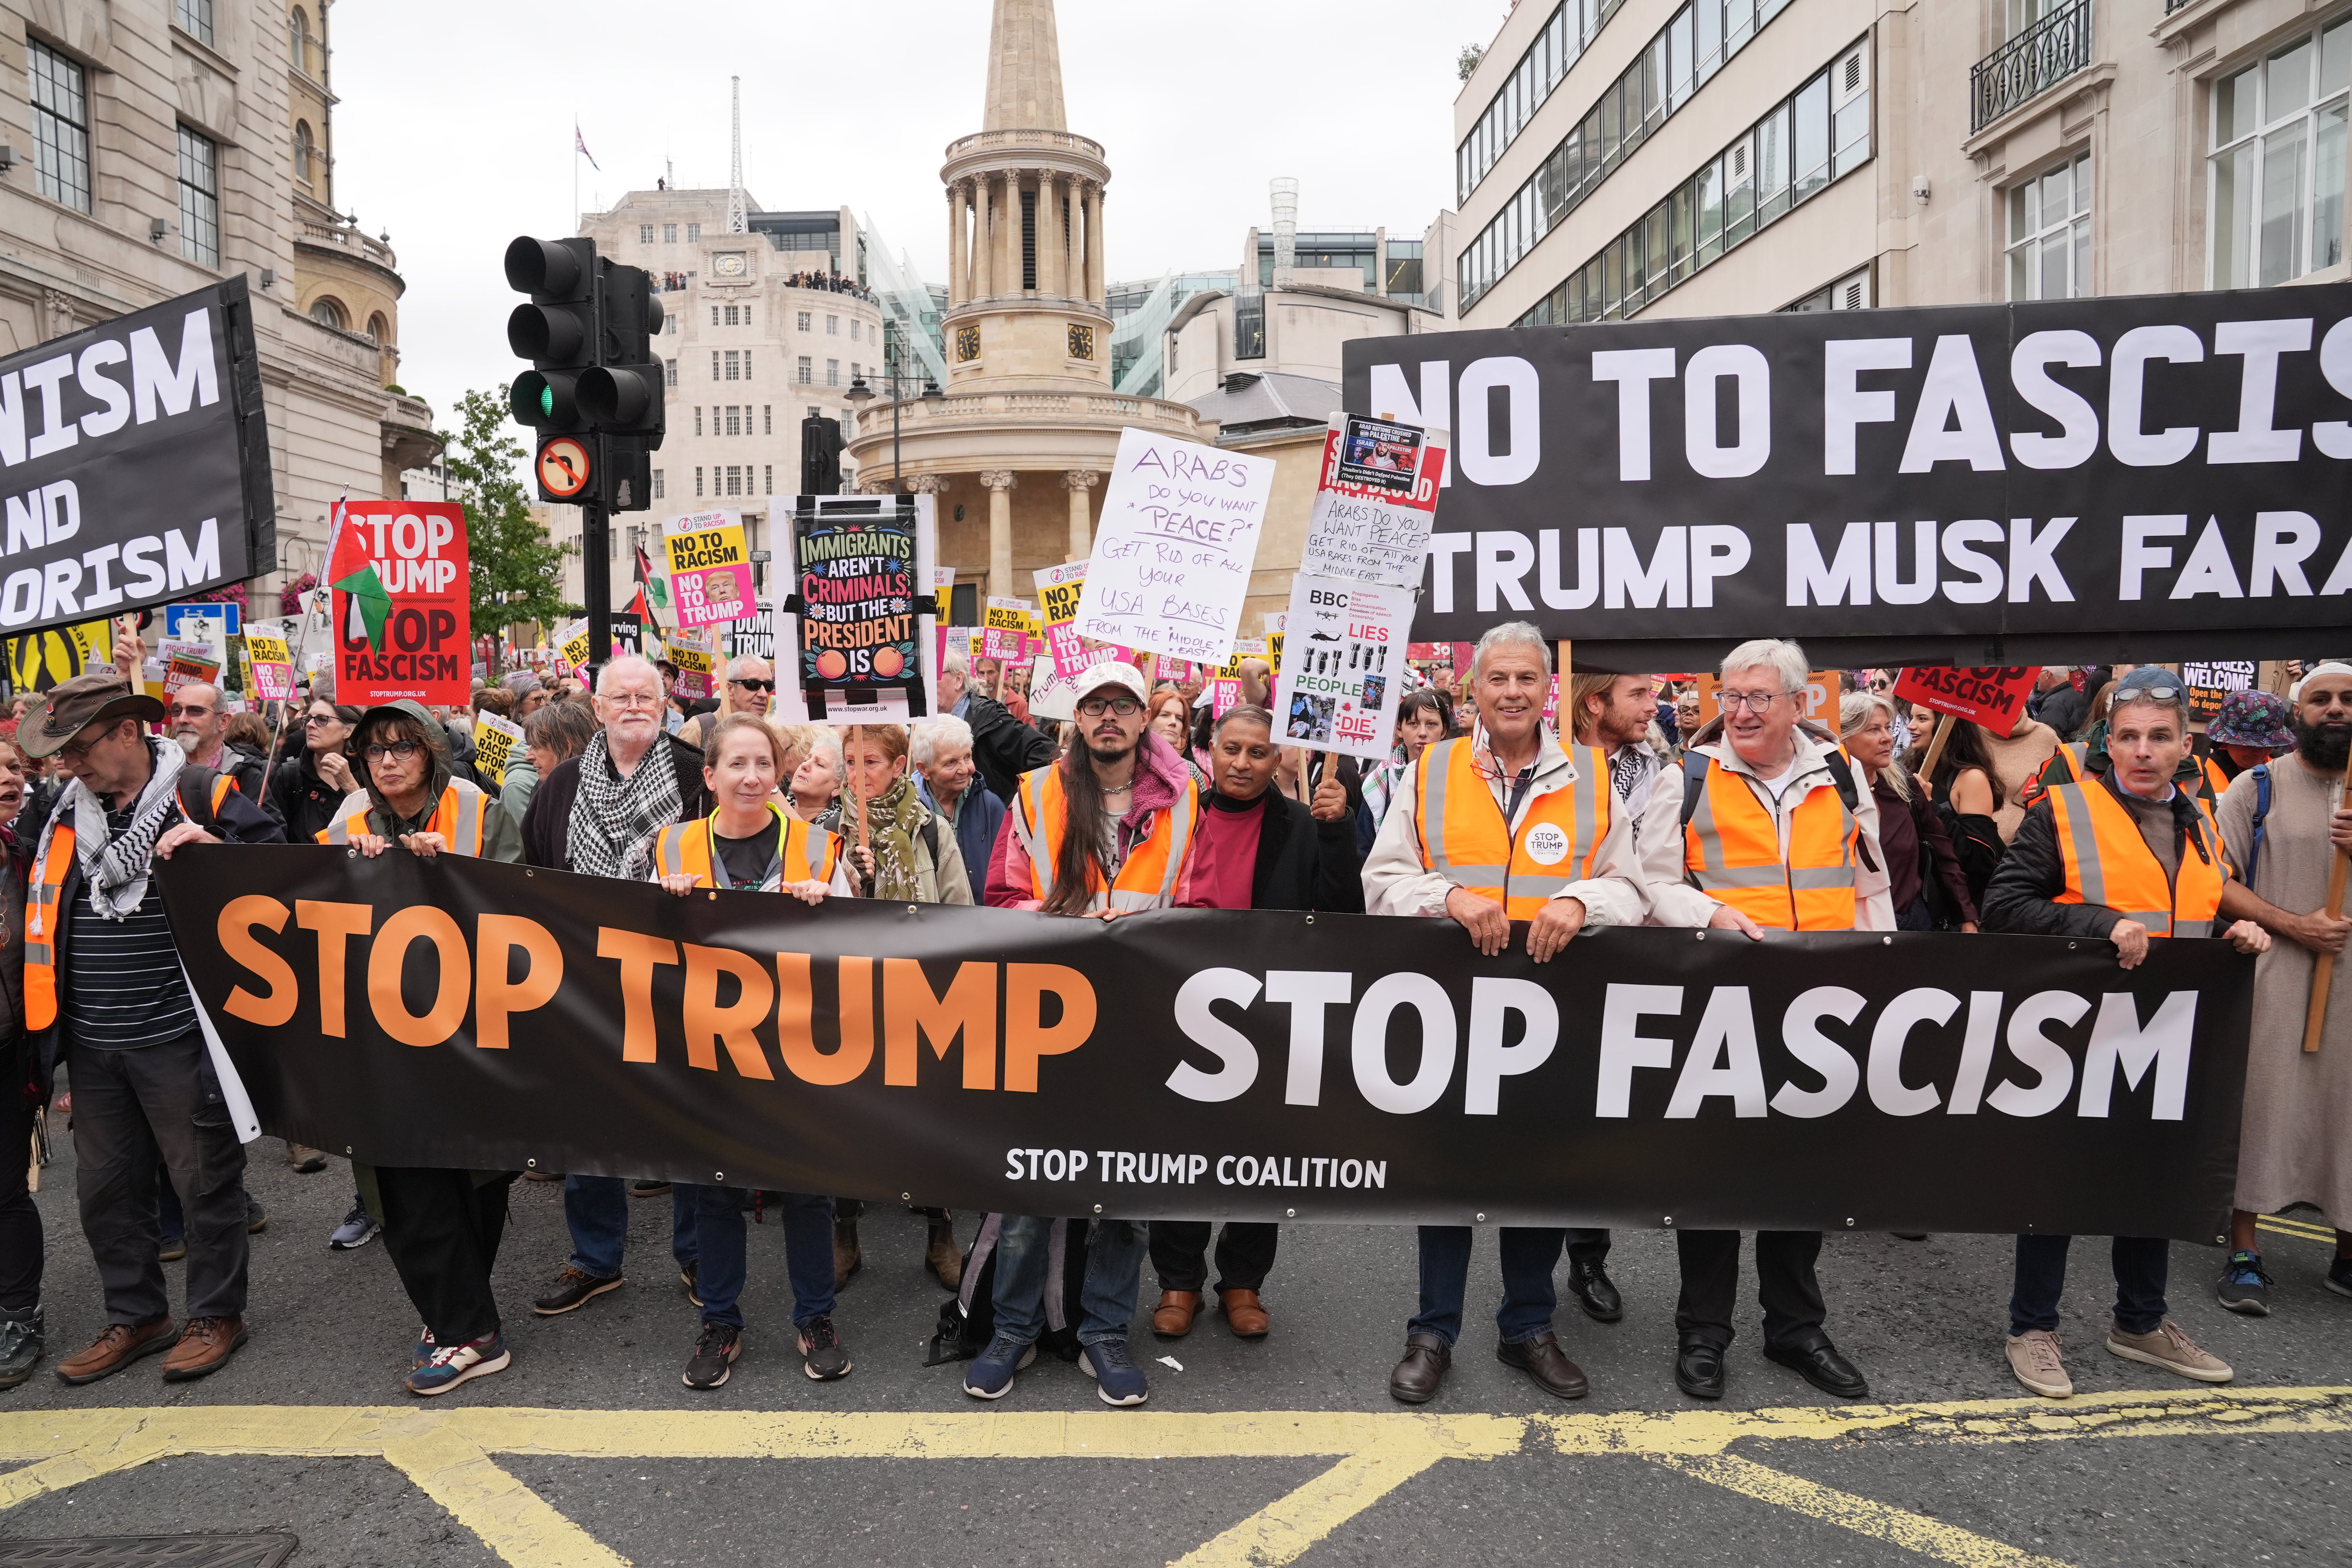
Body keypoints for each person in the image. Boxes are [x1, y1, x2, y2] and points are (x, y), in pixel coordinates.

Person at [1363, 623, 1646, 1407]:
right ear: (1474, 690)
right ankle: (1433, 1331)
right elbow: (1382, 878)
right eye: (1499, 679)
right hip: (1452, 1011)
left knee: (1538, 1172)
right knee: (1447, 1173)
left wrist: (1578, 898)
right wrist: (1447, 895)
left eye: (1527, 678)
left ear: (1546, 689)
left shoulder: (1593, 776)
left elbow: (1632, 887)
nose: (1514, 691)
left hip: (1554, 1015)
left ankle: (1529, 1326)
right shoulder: (1431, 770)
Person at [1980, 667, 2269, 1397]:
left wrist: (2232, 932)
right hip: (2078, 1032)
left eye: (2159, 738)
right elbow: (2006, 906)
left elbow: (2191, 909)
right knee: (2061, 1180)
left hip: (2169, 1033)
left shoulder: (2200, 821)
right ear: (2108, 741)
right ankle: (2033, 1327)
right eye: (2129, 736)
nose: (2142, 751)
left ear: (2184, 746)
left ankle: (2140, 1321)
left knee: (2150, 1180)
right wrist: (2102, 924)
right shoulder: (2067, 811)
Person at [19, 671, 283, 1385]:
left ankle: (215, 1314)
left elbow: (286, 874)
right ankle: (137, 1315)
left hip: (179, 1037)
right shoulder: (62, 815)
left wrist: (221, 854)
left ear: (129, 733)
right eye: (64, 751)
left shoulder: (204, 795)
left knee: (204, 1184)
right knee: (104, 1192)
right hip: (91, 1045)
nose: (69, 762)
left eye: (80, 746)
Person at [1645, 638, 1885, 1404]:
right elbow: (1642, 884)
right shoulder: (1684, 778)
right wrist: (1707, 910)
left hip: (1818, 1012)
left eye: (1758, 698)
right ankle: (1704, 1331)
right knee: (1713, 1175)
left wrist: (1874, 976)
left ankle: (1795, 1326)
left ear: (1796, 705)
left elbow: (1868, 887)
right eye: (1731, 696)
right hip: (1719, 1007)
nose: (1741, 711)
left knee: (1800, 1173)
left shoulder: (1842, 775)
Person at [967, 662, 1198, 1407]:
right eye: (1095, 705)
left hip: (1143, 1021)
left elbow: (1200, 906)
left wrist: (1137, 932)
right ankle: (1014, 1327)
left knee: (1123, 1192)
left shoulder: (1185, 801)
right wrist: (1067, 925)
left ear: (1141, 719)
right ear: (1077, 718)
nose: (1109, 718)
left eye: (1122, 706)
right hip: (1048, 1018)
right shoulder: (1034, 794)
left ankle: (1103, 1331)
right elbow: (1001, 897)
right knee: (1033, 1183)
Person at [317, 701, 525, 1394]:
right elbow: (309, 912)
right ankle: (469, 1328)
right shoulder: (346, 823)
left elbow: (523, 908)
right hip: (382, 1040)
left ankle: (459, 1308)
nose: (389, 761)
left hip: (471, 1032)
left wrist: (450, 877)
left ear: (432, 752)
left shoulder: (478, 812)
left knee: (478, 1175)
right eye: (375, 750)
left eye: (404, 746)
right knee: (404, 1180)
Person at [1147, 704, 1363, 1344]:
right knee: (1180, 1153)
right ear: (1209, 750)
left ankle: (1243, 1282)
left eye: (1259, 752)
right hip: (1182, 1008)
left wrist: (1337, 830)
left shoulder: (1303, 824)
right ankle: (1177, 1282)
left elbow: (1342, 911)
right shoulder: (1177, 818)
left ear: (1283, 759)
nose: (1243, 763)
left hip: (1272, 1014)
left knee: (1260, 1153)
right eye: (1232, 749)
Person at [650, 714, 853, 1387]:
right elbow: (637, 950)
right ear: (709, 777)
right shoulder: (671, 848)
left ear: (781, 772)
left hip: (800, 1048)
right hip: (710, 1050)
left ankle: (816, 1317)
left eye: (764, 763)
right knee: (714, 1190)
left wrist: (829, 908)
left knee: (808, 1189)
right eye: (736, 764)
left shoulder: (820, 849)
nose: (752, 777)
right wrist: (665, 907)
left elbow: (864, 948)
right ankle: (721, 1321)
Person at [521, 655, 713, 1318]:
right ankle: (596, 1259)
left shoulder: (698, 777)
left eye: (647, 695)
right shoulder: (561, 784)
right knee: (588, 1123)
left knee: (684, 1121)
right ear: (596, 708)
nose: (634, 705)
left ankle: (696, 1252)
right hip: (587, 981)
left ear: (665, 705)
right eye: (620, 696)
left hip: (678, 979)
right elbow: (536, 872)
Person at [2210, 664, 2352, 1313]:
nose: (2335, 710)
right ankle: (2245, 1251)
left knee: (2344, 1116)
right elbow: (2217, 880)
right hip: (2275, 976)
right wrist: (2296, 925)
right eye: (2320, 699)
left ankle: (2347, 1253)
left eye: (2348, 700)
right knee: (2263, 1109)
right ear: (2298, 714)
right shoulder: (2256, 786)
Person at [818, 723, 971, 1288]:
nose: (858, 775)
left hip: (922, 995)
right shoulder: (826, 832)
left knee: (928, 1118)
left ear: (902, 765)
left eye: (872, 762)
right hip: (851, 998)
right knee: (848, 1120)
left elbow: (961, 913)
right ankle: (844, 1231)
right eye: (849, 763)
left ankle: (940, 1231)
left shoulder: (932, 832)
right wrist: (853, 887)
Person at [1841, 693, 1978, 932]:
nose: (1887, 738)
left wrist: (1965, 916)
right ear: (1843, 739)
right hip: (1853, 929)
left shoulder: (1904, 786)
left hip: (1912, 924)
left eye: (1887, 728)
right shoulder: (1824, 795)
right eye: (1874, 730)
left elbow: (1942, 851)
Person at [0, 736, 39, 1385]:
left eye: (11, 766)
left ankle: (18, 1315)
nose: (11, 776)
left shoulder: (23, 855)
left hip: (8, 1052)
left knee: (5, 1191)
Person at [912, 715, 1008, 930]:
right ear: (924, 769)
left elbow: (1006, 876)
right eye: (951, 763)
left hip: (981, 929)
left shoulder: (991, 806)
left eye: (967, 757)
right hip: (924, 929)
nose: (965, 769)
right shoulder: (907, 810)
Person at [940, 652, 1054, 802]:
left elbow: (1044, 751)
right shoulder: (927, 724)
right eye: (982, 672)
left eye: (934, 675)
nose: (924, 683)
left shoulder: (990, 717)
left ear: (959, 679)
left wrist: (1017, 801)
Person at [1358, 688, 1453, 855]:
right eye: (1413, 724)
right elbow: (1365, 845)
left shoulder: (1459, 776)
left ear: (1444, 731)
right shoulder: (1380, 780)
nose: (1423, 733)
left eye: (1431, 724)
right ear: (1399, 729)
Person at [269, 698, 365, 844]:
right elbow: (275, 838)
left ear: (348, 731)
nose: (310, 725)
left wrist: (352, 788)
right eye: (308, 719)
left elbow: (378, 827)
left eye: (322, 720)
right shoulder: (289, 775)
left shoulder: (369, 771)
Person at [499, 698, 595, 842]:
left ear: (566, 747)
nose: (528, 756)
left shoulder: (597, 799)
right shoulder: (543, 789)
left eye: (536, 746)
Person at [167, 685, 270, 815]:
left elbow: (268, 833)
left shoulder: (246, 771)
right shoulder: (158, 766)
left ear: (223, 722)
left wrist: (216, 836)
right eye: (176, 711)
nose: (182, 719)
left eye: (195, 711)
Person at [2204, 690, 2296, 786]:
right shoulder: (2202, 774)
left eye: (2269, 745)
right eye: (2250, 745)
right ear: (2226, 741)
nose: (2259, 753)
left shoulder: (2286, 769)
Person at [688, 658, 774, 750]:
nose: (764, 694)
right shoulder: (698, 731)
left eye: (768, 686)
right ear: (730, 689)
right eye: (753, 684)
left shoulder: (773, 733)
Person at [788, 727, 844, 822]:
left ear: (838, 787)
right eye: (806, 759)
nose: (805, 765)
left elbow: (806, 835)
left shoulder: (838, 828)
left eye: (820, 765)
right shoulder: (770, 813)